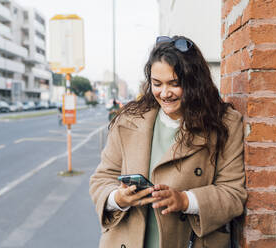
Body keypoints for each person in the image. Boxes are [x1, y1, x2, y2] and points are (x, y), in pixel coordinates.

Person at [89, 35, 246, 248]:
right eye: (157, 84)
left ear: (194, 82)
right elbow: (102, 179)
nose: (164, 93)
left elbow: (233, 193)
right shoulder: (128, 120)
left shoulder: (224, 123)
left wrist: (185, 201)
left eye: (174, 84)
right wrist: (118, 198)